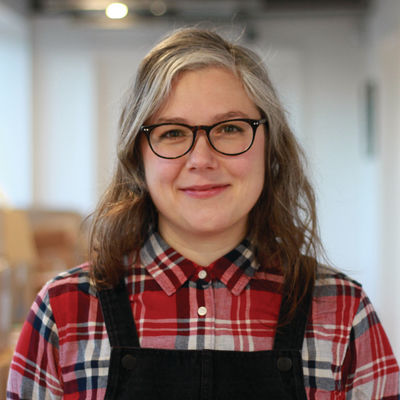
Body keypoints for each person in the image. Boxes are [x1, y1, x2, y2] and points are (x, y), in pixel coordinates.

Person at [7, 27, 399, 399]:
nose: (201, 159)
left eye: (229, 128)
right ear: (137, 158)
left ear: (270, 146)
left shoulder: (342, 310)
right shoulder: (64, 310)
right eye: (172, 133)